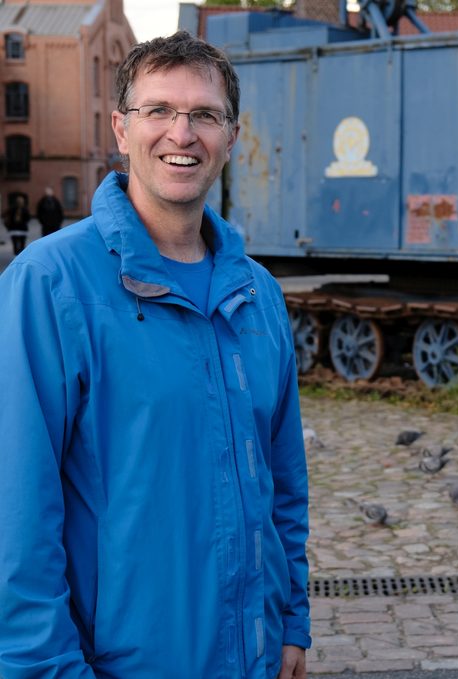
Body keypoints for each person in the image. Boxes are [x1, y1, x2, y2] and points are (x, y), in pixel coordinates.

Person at [0, 32, 311, 678]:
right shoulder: (50, 286)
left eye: (204, 114)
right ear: (121, 128)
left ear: (230, 136)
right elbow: (17, 517)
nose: (182, 132)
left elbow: (284, 487)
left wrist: (292, 623)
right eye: (159, 111)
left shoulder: (259, 296)